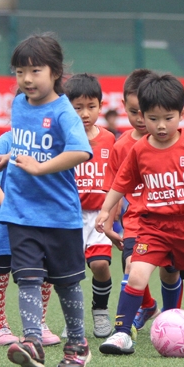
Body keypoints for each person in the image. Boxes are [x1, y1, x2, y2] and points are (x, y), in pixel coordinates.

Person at [97, 73, 184, 355]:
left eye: (168, 118)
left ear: (182, 114)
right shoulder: (139, 150)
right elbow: (121, 184)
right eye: (153, 118)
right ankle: (121, 334)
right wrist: (106, 209)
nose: (161, 125)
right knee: (136, 275)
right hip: (152, 227)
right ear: (142, 116)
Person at [0, 33, 93, 367]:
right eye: (19, 71)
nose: (25, 79)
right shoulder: (19, 104)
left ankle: (78, 343)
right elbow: (30, 145)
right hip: (20, 211)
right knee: (28, 278)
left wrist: (41, 167)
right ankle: (33, 342)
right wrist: (10, 157)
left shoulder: (65, 112)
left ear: (55, 73)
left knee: (66, 283)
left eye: (35, 70)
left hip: (60, 215)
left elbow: (81, 151)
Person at [100, 69, 183, 331]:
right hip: (136, 221)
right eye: (133, 111)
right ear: (123, 105)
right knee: (132, 264)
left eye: (142, 111)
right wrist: (109, 222)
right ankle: (133, 318)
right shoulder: (121, 146)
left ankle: (171, 318)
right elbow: (114, 186)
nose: (139, 118)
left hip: (170, 220)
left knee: (169, 271)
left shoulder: (178, 143)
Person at [0, 131, 61, 347]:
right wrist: (9, 208)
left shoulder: (52, 142)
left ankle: (38, 324)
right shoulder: (7, 140)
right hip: (2, 228)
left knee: (43, 276)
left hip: (40, 225)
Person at [65, 73, 116, 338]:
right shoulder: (63, 140)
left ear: (100, 105)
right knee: (69, 272)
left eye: (91, 106)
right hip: (69, 216)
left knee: (99, 265)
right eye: (78, 107)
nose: (85, 113)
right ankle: (72, 319)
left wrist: (110, 217)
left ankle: (100, 312)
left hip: (99, 215)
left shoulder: (110, 140)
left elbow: (118, 184)